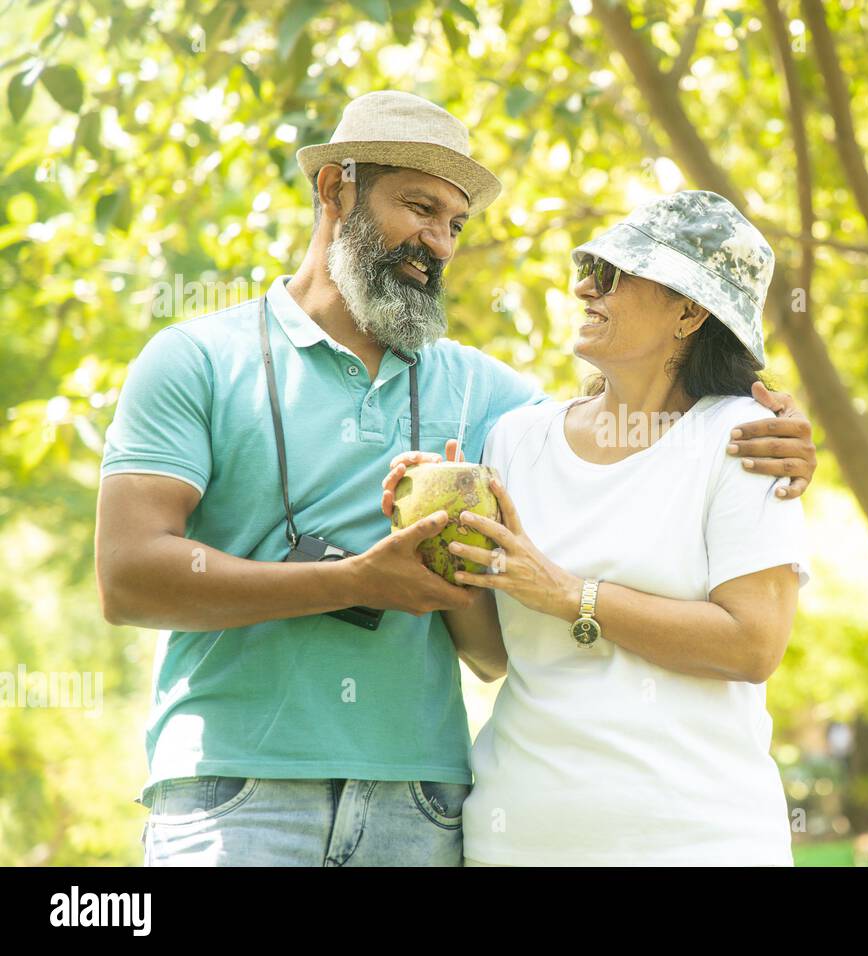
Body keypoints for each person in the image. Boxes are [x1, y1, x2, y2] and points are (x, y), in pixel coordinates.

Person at [95, 90, 818, 866]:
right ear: (335, 189)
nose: (438, 242)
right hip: (235, 795)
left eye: (455, 223)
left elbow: (629, 447)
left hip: (426, 805)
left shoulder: (493, 402)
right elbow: (129, 579)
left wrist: (777, 433)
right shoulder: (194, 359)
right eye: (419, 207)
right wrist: (357, 582)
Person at [384, 191, 809, 865]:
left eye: (612, 274)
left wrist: (569, 594)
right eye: (588, 266)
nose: (584, 286)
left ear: (689, 311)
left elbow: (752, 645)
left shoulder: (745, 440)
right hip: (518, 842)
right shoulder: (516, 439)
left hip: (702, 845)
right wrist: (446, 546)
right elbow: (495, 657)